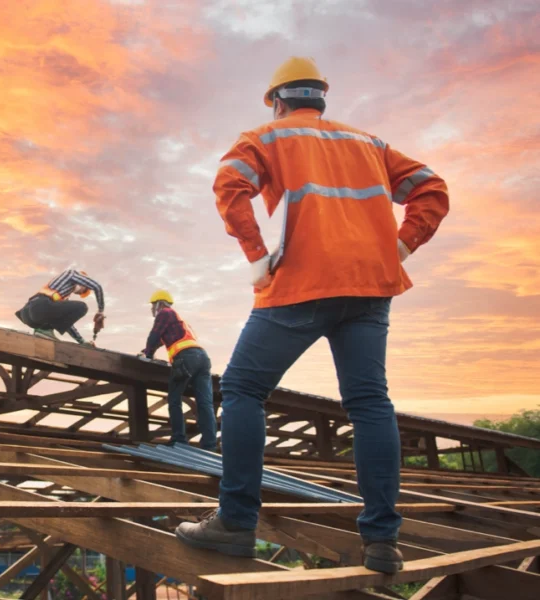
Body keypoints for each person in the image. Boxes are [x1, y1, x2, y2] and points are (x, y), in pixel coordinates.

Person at [175, 57, 449, 574]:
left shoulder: (268, 137)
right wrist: (400, 248)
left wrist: (257, 258)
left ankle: (235, 523)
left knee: (242, 390)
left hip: (302, 283)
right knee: (370, 402)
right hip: (370, 287)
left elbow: (230, 185)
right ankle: (383, 541)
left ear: (278, 101)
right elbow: (433, 189)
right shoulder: (368, 143)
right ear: (321, 99)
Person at [141, 290, 218, 451]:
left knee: (174, 399)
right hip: (202, 359)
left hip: (186, 358)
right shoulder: (178, 321)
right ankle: (210, 445)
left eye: (152, 306)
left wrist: (147, 355)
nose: (152, 310)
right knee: (205, 404)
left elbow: (154, 335)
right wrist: (148, 350)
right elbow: (159, 341)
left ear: (159, 304)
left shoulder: (165, 313)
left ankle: (179, 439)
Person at [15, 269, 105, 345]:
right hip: (39, 307)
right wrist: (100, 311)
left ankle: (42, 330)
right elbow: (97, 286)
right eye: (83, 290)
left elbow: (67, 324)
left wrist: (82, 342)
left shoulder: (62, 295)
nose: (80, 293)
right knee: (82, 307)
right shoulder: (72, 274)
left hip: (27, 315)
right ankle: (45, 330)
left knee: (65, 311)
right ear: (83, 282)